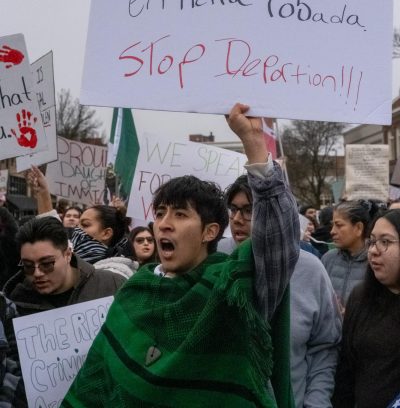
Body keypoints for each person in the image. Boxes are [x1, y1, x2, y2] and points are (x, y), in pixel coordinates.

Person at [61, 103, 300, 408]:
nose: (165, 223)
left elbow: (278, 240)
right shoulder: (133, 293)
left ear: (209, 232)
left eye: (181, 214)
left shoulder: (232, 290)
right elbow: (97, 384)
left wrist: (252, 143)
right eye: (160, 213)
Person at [219, 173, 341, 408]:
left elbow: (325, 347)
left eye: (249, 210)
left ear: (279, 216)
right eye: (233, 209)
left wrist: (316, 403)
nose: (237, 219)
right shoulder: (217, 258)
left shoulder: (311, 269)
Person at [1, 216, 127, 407]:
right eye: (28, 266)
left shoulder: (112, 285)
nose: (37, 273)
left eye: (47, 263)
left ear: (68, 254)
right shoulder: (15, 303)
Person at [333, 209, 400, 408]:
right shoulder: (360, 298)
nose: (373, 250)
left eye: (385, 242)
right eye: (371, 241)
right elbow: (346, 372)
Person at [29, 165, 131, 263]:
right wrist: (43, 192)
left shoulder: (113, 272)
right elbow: (50, 231)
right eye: (78, 225)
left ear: (106, 233)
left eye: (85, 225)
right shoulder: (69, 257)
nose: (77, 230)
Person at [321, 199, 383, 307]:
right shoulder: (328, 259)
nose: (332, 231)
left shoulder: (376, 261)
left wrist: (352, 314)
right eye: (332, 225)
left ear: (358, 228)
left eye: (339, 225)